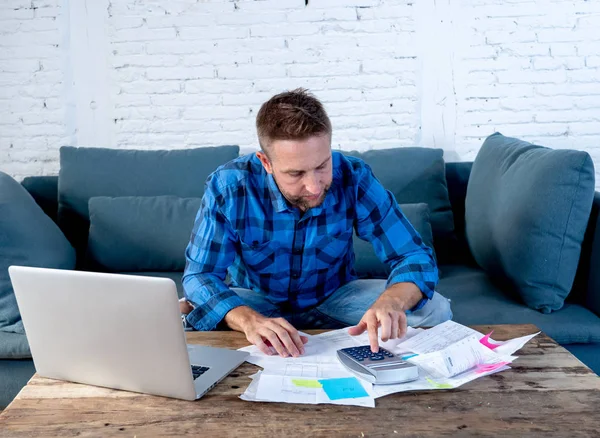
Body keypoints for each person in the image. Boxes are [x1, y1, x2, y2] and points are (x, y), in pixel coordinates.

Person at [181, 88, 452, 358]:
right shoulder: (229, 186)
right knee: (181, 316)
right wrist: (250, 321)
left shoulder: (353, 176)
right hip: (258, 302)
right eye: (296, 173)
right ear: (266, 162)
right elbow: (200, 275)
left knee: (435, 308)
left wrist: (392, 301)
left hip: (335, 298)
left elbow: (413, 255)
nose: (313, 187)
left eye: (322, 165)